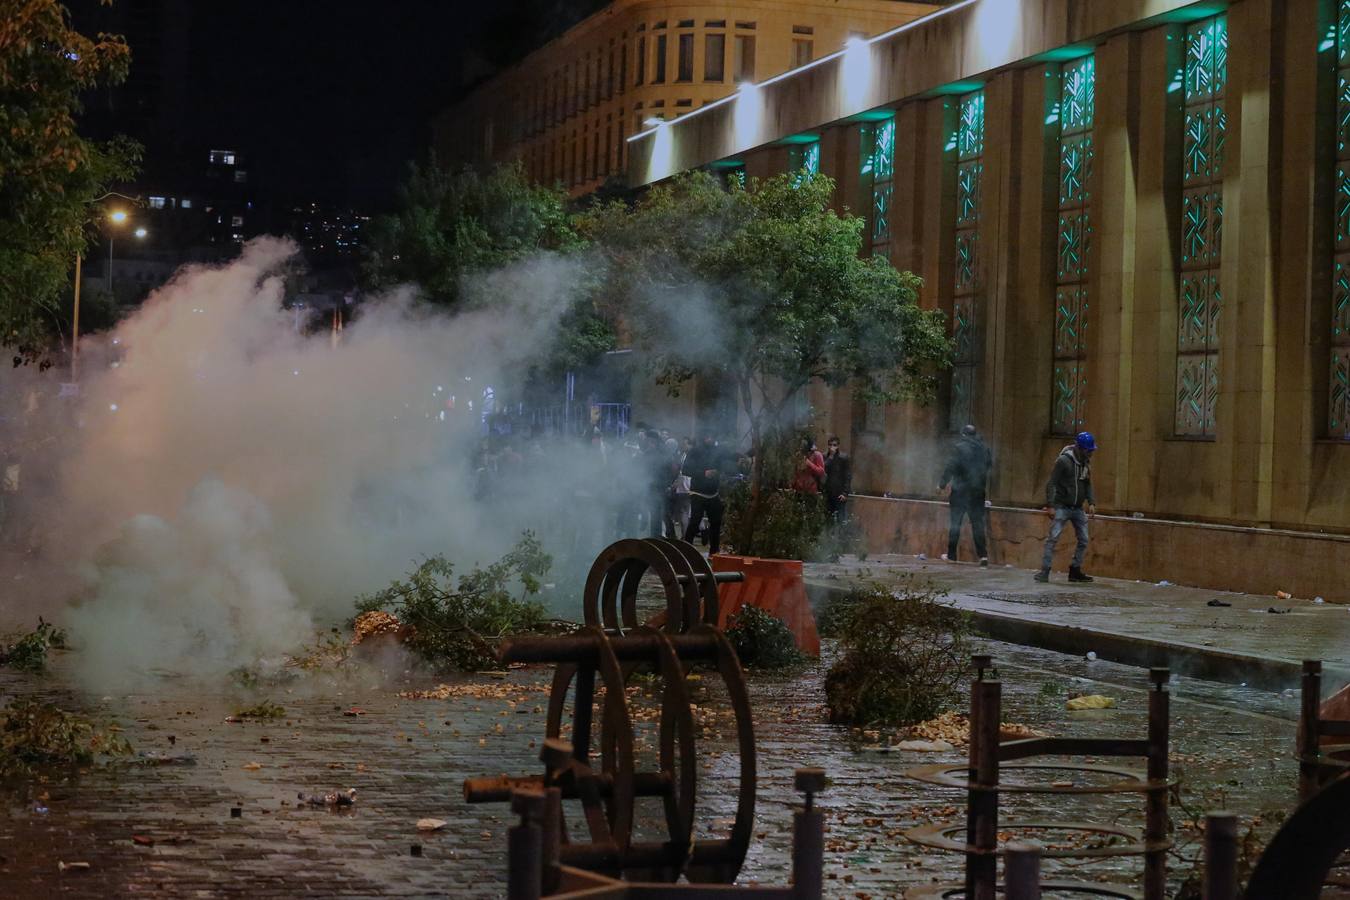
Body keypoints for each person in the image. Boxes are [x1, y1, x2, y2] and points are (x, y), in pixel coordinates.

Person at [1035, 430, 1097, 583]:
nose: (1090, 454)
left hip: (1077, 508)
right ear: (1080, 448)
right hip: (1062, 505)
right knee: (1053, 538)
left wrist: (1091, 502)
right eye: (1088, 451)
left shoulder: (1085, 463)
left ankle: (1075, 571)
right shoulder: (1063, 461)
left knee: (1084, 539)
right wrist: (1050, 505)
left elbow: (1087, 483)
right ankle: (1045, 571)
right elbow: (1052, 483)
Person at [938, 424, 993, 565]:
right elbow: (988, 466)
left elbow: (950, 466)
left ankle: (951, 555)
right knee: (978, 524)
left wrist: (941, 484)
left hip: (960, 492)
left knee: (955, 523)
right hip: (978, 492)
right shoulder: (984, 449)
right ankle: (983, 556)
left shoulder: (959, 448)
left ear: (963, 435)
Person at [682, 433, 726, 553]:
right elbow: (685, 469)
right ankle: (686, 550)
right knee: (695, 521)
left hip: (713, 493)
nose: (710, 439)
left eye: (711, 437)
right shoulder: (694, 451)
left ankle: (714, 551)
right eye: (707, 437)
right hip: (697, 492)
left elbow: (723, 466)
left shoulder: (717, 451)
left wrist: (717, 472)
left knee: (716, 522)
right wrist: (703, 473)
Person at [663, 437, 691, 539]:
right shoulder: (680, 456)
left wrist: (670, 486)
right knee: (680, 513)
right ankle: (680, 536)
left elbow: (676, 472)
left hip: (678, 488)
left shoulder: (676, 457)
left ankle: (680, 536)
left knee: (680, 512)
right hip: (678, 487)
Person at [823, 435, 852, 523]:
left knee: (841, 520)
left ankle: (840, 536)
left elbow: (848, 476)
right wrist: (830, 457)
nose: (832, 447)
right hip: (828, 493)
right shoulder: (824, 456)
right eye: (830, 445)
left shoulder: (843, 458)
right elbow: (823, 470)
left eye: (834, 445)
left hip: (840, 494)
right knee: (828, 520)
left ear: (838, 446)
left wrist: (845, 493)